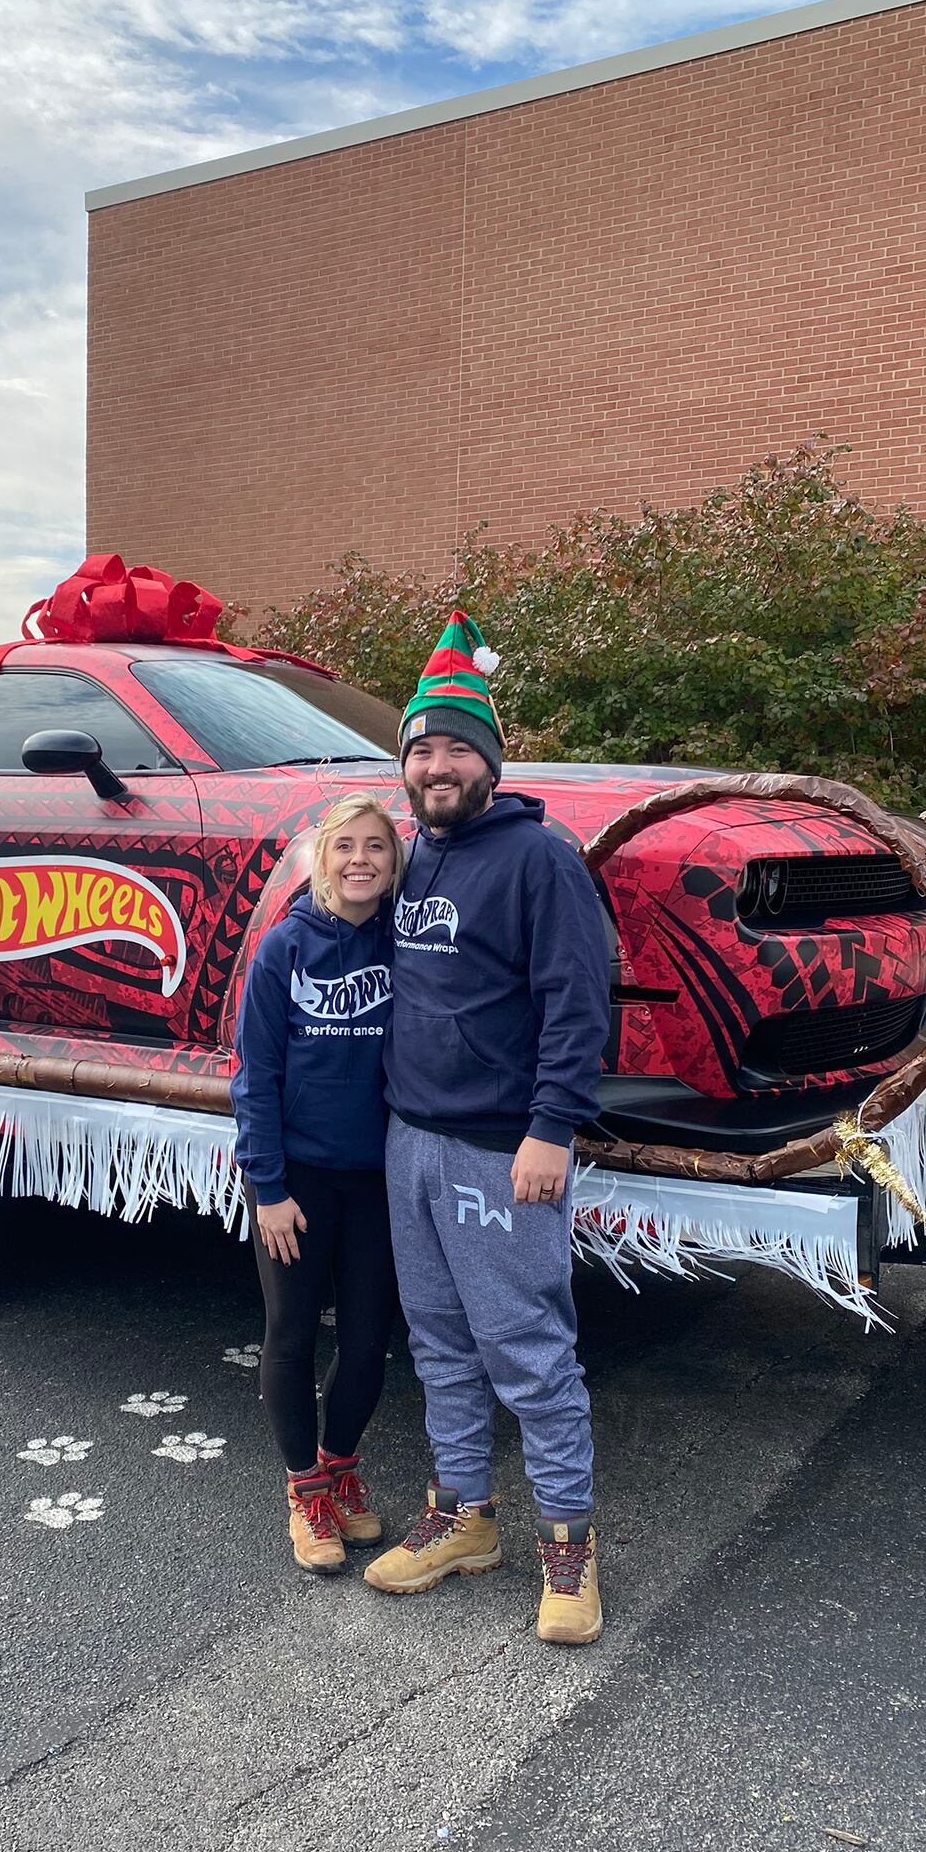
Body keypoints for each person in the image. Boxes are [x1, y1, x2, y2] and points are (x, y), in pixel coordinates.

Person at [363, 611, 612, 1644]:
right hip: (407, 1141)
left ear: (491, 763)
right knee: (439, 1346)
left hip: (501, 1150)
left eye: (456, 747)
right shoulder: (408, 857)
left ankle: (569, 1547)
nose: (436, 764)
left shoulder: (538, 861)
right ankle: (464, 1517)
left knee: (528, 1353)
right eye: (420, 748)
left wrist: (552, 1128)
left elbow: (577, 1001)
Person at [231, 793, 404, 1573]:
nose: (361, 858)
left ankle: (339, 1466)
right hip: (295, 1179)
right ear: (321, 858)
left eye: (377, 846)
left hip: (374, 1178)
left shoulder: (408, 947)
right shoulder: (284, 948)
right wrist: (268, 1186)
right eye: (346, 846)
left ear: (394, 862)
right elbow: (254, 1076)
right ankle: (304, 1491)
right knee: (292, 1333)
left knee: (369, 1339)